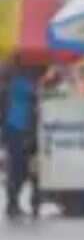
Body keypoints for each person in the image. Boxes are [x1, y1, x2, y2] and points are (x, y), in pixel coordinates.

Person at [3, 67, 37, 218]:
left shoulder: (12, 83)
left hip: (14, 129)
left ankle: (13, 203)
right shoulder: (23, 85)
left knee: (18, 167)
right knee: (19, 168)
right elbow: (33, 100)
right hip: (19, 129)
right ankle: (12, 203)